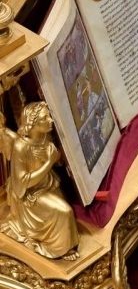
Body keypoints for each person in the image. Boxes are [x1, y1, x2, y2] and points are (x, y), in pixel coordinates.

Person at [0, 102, 79, 260]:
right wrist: (49, 162)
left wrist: (57, 158)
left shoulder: (44, 136)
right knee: (65, 212)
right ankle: (59, 249)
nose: (51, 120)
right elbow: (21, 184)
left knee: (68, 209)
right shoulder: (20, 147)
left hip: (48, 185)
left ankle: (63, 242)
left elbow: (56, 158)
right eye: (45, 118)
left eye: (49, 116)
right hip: (30, 196)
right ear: (32, 123)